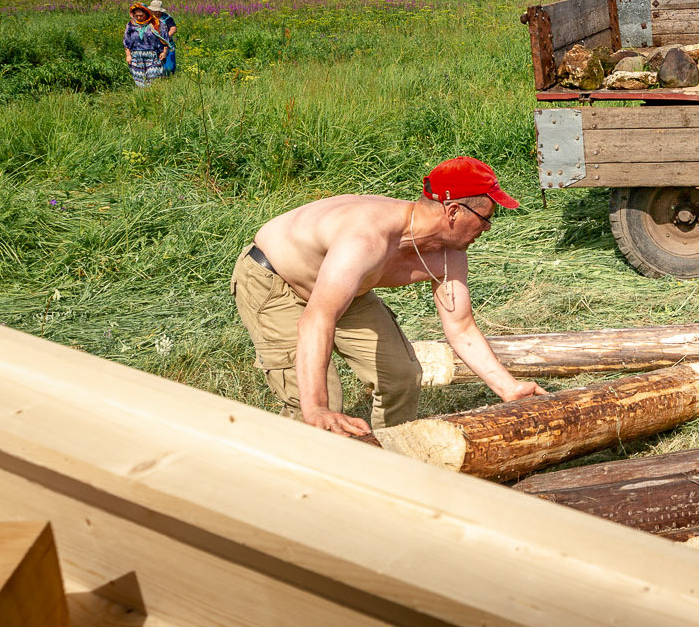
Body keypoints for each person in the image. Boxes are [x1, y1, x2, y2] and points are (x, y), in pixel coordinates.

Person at [233, 157, 545, 437]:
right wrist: (316, 408)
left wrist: (509, 388)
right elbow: (316, 319)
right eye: (486, 217)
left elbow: (461, 328)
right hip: (276, 281)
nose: (487, 228)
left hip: (349, 290)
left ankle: (391, 457)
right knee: (319, 404)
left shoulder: (450, 255)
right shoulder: (367, 238)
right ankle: (295, 481)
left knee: (402, 376)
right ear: (453, 211)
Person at [123, 3, 171, 87]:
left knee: (153, 78)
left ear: (146, 13)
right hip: (136, 56)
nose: (138, 18)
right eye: (136, 15)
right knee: (139, 81)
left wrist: (164, 52)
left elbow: (165, 39)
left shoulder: (156, 23)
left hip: (153, 55)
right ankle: (143, 97)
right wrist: (128, 55)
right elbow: (127, 41)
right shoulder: (131, 25)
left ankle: (152, 95)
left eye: (141, 15)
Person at [147, 0, 177, 75]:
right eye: (155, 10)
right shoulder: (147, 18)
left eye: (159, 10)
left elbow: (173, 28)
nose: (157, 12)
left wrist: (164, 37)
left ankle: (169, 78)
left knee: (169, 66)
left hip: (167, 44)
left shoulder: (167, 18)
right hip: (152, 46)